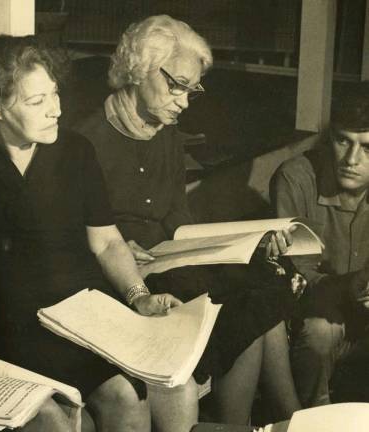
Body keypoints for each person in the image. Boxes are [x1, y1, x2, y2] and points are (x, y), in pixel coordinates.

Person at [0, 34, 189, 432]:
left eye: (55, 94)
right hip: (6, 322)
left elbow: (107, 240)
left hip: (83, 314)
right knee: (60, 418)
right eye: (36, 101)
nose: (56, 110)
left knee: (125, 398)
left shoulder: (75, 151)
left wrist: (139, 297)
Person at [74, 15, 303, 431]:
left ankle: (271, 420)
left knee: (261, 280)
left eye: (190, 90)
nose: (183, 101)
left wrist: (234, 242)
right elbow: (82, 233)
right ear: (139, 69)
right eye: (175, 84)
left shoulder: (166, 134)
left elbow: (178, 216)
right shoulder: (85, 141)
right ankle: (288, 417)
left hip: (168, 258)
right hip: (123, 275)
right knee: (240, 308)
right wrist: (130, 249)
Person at [272, 86, 369, 407]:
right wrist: (347, 286)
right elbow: (292, 280)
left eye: (368, 148)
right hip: (316, 314)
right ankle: (313, 420)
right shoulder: (296, 179)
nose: (352, 160)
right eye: (343, 141)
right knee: (320, 331)